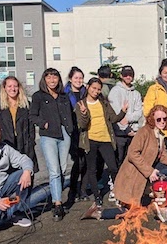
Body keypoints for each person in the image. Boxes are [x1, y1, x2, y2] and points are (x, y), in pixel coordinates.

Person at [98, 105, 167, 220]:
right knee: (133, 211)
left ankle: (159, 199)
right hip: (134, 173)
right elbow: (132, 154)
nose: (162, 122)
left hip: (146, 169)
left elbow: (163, 156)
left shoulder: (160, 134)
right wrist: (150, 171)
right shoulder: (144, 132)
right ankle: (99, 213)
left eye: (165, 119)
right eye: (159, 119)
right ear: (152, 119)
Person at [30, 68, 74, 221]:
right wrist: (43, 124)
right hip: (48, 135)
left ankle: (57, 198)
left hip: (64, 134)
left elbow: (70, 114)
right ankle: (57, 204)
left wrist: (71, 129)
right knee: (54, 170)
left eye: (54, 78)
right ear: (44, 80)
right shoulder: (38, 96)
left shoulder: (63, 96)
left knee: (61, 169)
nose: (52, 80)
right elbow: (32, 115)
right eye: (49, 78)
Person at [75, 78, 127, 205]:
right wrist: (84, 113)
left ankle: (118, 192)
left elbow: (113, 118)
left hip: (105, 139)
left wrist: (123, 112)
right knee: (91, 169)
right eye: (94, 88)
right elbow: (82, 125)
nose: (96, 91)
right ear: (88, 87)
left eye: (98, 89)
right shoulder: (81, 104)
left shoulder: (103, 102)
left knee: (113, 167)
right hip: (90, 140)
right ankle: (97, 197)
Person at [0, 76, 38, 174]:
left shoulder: (26, 104)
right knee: (10, 176)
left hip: (24, 143)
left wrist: (31, 142)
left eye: (15, 86)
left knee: (27, 172)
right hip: (6, 143)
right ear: (4, 88)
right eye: (9, 86)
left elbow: (31, 126)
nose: (13, 89)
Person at [108, 65, 143, 167]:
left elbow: (138, 112)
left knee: (131, 161)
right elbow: (116, 114)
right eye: (125, 75)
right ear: (121, 76)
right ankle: (114, 182)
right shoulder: (115, 91)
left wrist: (127, 118)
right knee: (118, 161)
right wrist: (126, 129)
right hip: (120, 133)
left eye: (130, 75)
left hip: (134, 132)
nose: (128, 77)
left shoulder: (136, 93)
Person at [65, 67, 87, 203]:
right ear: (70, 79)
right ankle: (73, 189)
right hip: (73, 131)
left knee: (87, 162)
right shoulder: (65, 94)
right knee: (77, 162)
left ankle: (83, 190)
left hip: (86, 130)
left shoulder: (86, 92)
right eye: (76, 78)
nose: (79, 80)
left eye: (80, 78)